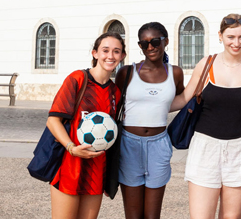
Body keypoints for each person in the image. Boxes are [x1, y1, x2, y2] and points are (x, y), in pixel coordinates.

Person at [170, 13, 241, 219]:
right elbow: (182, 99)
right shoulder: (206, 64)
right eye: (230, 37)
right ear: (220, 36)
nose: (236, 42)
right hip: (206, 148)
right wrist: (144, 104)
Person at [46, 32, 126, 219]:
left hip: (96, 172)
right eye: (105, 50)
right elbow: (53, 120)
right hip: (69, 167)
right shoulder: (78, 79)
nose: (110, 56)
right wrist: (72, 148)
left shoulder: (115, 92)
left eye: (116, 51)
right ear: (95, 53)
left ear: (122, 56)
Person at [114, 22, 185, 219]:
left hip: (159, 145)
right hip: (129, 145)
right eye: (144, 44)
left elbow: (179, 99)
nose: (150, 47)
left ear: (166, 41)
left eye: (154, 41)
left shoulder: (175, 73)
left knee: (153, 216)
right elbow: (115, 106)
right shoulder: (126, 73)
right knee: (133, 216)